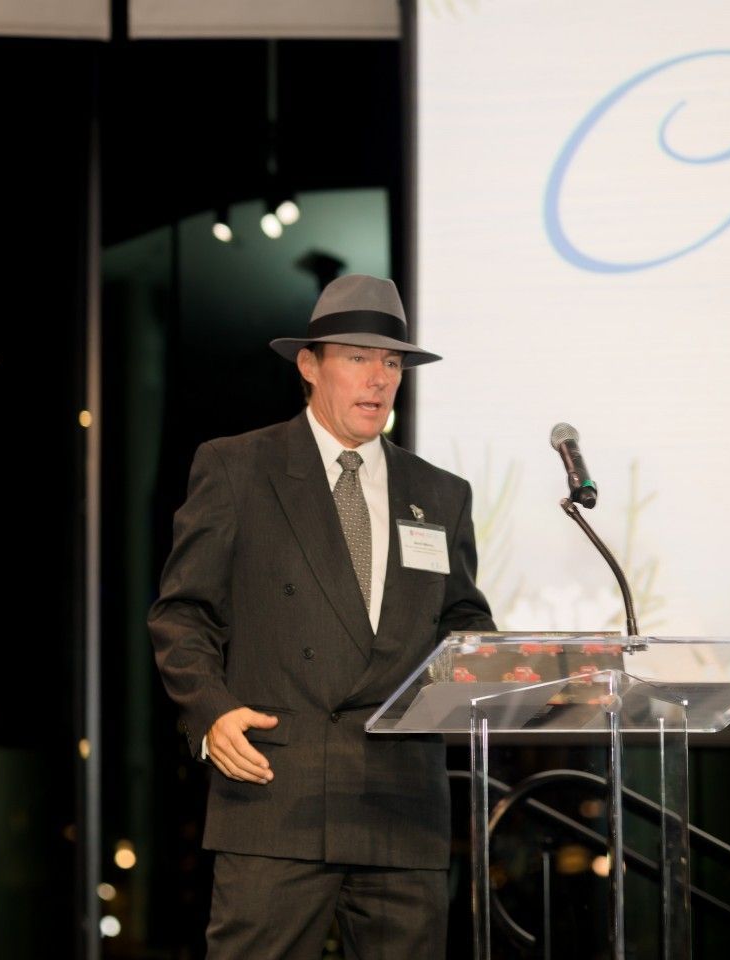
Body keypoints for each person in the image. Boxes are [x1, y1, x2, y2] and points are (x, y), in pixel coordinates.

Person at [148, 274, 496, 959]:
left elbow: (464, 621)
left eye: (392, 362)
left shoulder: (439, 492)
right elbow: (183, 613)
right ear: (309, 366)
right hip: (275, 794)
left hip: (401, 805)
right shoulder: (237, 468)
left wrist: (493, 666)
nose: (378, 379)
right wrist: (211, 711)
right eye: (358, 358)